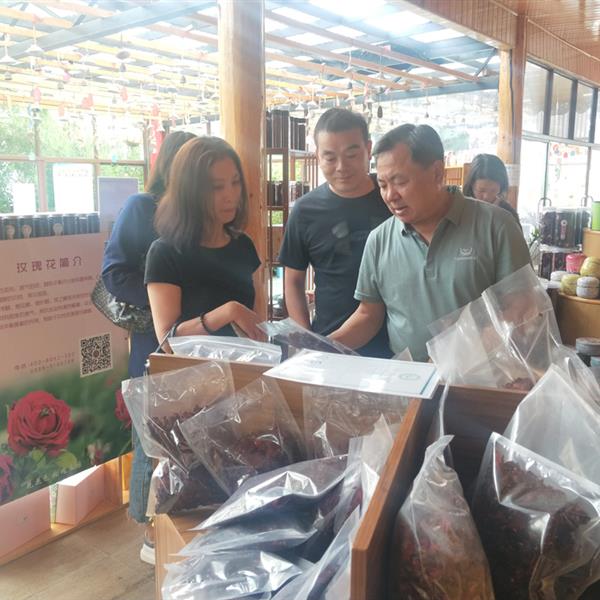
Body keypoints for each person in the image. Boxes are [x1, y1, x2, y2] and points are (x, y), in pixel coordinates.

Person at [330, 124, 531, 362]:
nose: (390, 195)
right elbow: (368, 315)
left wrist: (454, 356)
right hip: (406, 376)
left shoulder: (496, 226)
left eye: (400, 181)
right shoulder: (379, 240)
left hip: (482, 377)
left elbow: (522, 309)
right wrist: (322, 346)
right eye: (383, 185)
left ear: (437, 173)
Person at [101, 130, 195, 564]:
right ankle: (150, 532)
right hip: (153, 341)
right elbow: (114, 273)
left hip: (193, 340)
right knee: (152, 440)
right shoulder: (143, 207)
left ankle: (174, 524)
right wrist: (160, 297)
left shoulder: (196, 215)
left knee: (183, 438)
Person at [278, 108, 392, 357]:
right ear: (317, 156)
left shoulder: (392, 198)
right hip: (330, 340)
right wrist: (306, 338)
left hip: (395, 343)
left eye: (352, 154)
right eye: (330, 158)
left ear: (368, 149)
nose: (342, 167)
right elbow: (293, 281)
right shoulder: (305, 211)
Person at [145, 136, 262, 353]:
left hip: (244, 368)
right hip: (192, 372)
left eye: (235, 182)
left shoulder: (243, 245)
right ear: (189, 191)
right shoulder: (165, 253)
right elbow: (168, 343)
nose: (230, 196)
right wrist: (228, 312)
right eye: (217, 187)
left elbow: (258, 324)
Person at [462, 153, 521, 225]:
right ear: (471, 186)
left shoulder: (509, 214)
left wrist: (495, 214)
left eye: (494, 190)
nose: (487, 196)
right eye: (481, 190)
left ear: (501, 187)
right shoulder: (461, 208)